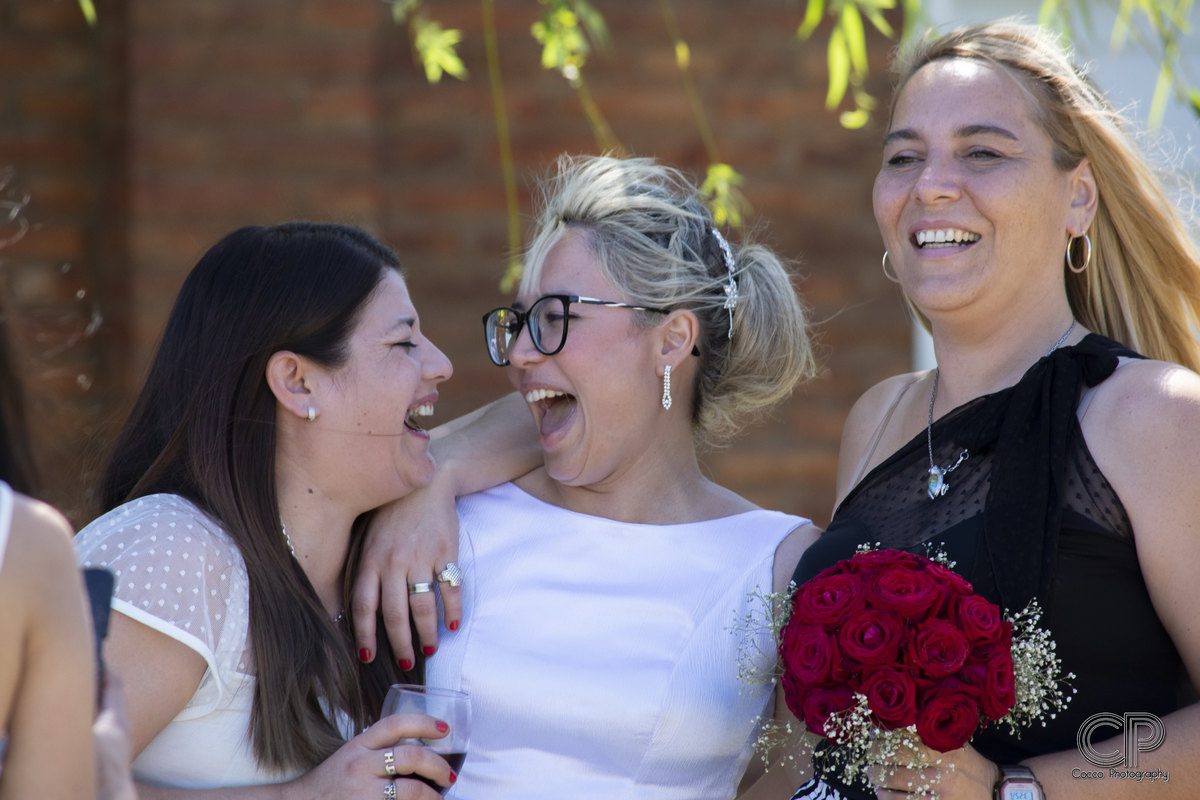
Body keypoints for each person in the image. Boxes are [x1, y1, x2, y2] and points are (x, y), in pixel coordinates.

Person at [786, 19, 1200, 800]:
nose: (930, 185)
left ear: (1077, 197)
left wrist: (1014, 789)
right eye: (903, 158)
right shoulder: (876, 420)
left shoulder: (1159, 416)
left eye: (982, 152)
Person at [360, 153, 822, 799]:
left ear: (670, 340)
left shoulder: (780, 562)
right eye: (520, 323)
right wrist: (430, 481)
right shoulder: (447, 519)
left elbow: (798, 775)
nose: (521, 353)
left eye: (555, 318)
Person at [74, 222, 464, 797]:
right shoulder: (178, 552)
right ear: (298, 383)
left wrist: (445, 476)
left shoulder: (373, 564)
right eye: (403, 342)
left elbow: (557, 430)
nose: (440, 364)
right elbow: (32, 776)